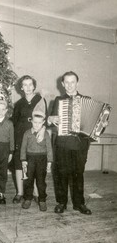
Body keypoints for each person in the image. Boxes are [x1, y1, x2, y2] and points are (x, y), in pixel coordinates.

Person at [48, 71, 92, 215]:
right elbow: (53, 124)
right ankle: (62, 202)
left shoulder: (86, 100)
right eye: (66, 82)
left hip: (80, 145)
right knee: (62, 174)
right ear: (62, 84)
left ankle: (79, 203)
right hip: (63, 144)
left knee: (78, 174)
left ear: (77, 83)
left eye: (72, 82)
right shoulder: (58, 100)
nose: (69, 85)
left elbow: (93, 124)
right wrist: (52, 120)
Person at [12, 75, 47, 204]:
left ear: (34, 86)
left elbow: (45, 119)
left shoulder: (40, 100)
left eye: (30, 84)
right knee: (19, 164)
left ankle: (36, 193)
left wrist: (42, 130)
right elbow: (14, 122)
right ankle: (19, 193)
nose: (28, 87)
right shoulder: (19, 104)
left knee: (35, 165)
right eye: (25, 85)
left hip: (35, 137)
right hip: (20, 137)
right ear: (21, 87)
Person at [20, 103, 53, 211]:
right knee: (28, 180)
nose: (37, 125)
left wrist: (49, 162)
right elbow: (23, 147)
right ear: (31, 121)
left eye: (39, 123)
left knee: (41, 181)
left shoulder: (46, 134)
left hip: (42, 159)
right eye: (35, 122)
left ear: (43, 122)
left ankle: (42, 200)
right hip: (30, 159)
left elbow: (49, 148)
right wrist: (23, 160)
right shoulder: (27, 133)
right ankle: (28, 198)